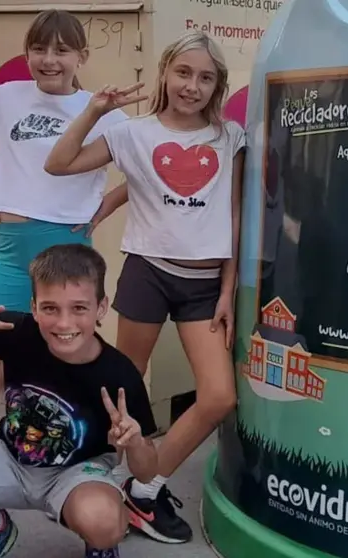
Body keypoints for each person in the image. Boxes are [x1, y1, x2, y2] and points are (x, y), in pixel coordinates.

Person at [45, 30, 244, 543]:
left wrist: (228, 289)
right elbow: (59, 163)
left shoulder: (231, 137)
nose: (192, 86)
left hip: (205, 286)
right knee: (124, 385)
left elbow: (236, 216)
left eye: (206, 77)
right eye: (184, 73)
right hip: (148, 272)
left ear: (217, 84)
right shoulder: (132, 133)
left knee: (219, 396)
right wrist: (93, 110)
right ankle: (96, 476)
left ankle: (144, 486)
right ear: (165, 74)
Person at [0, 9, 129, 446]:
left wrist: (106, 206)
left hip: (67, 252)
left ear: (82, 55)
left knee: (67, 357)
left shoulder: (102, 112)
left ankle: (83, 453)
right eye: (38, 49)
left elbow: (147, 167)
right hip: (13, 254)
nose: (49, 60)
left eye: (62, 50)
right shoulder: (7, 96)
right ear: (27, 54)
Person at [0, 244, 158, 558]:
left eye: (79, 308)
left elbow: (148, 472)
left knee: (105, 524)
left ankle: (99, 542)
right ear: (34, 307)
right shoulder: (21, 331)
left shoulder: (120, 373)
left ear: (101, 308)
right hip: (9, 455)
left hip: (77, 472)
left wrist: (134, 442)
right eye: (50, 308)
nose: (64, 323)